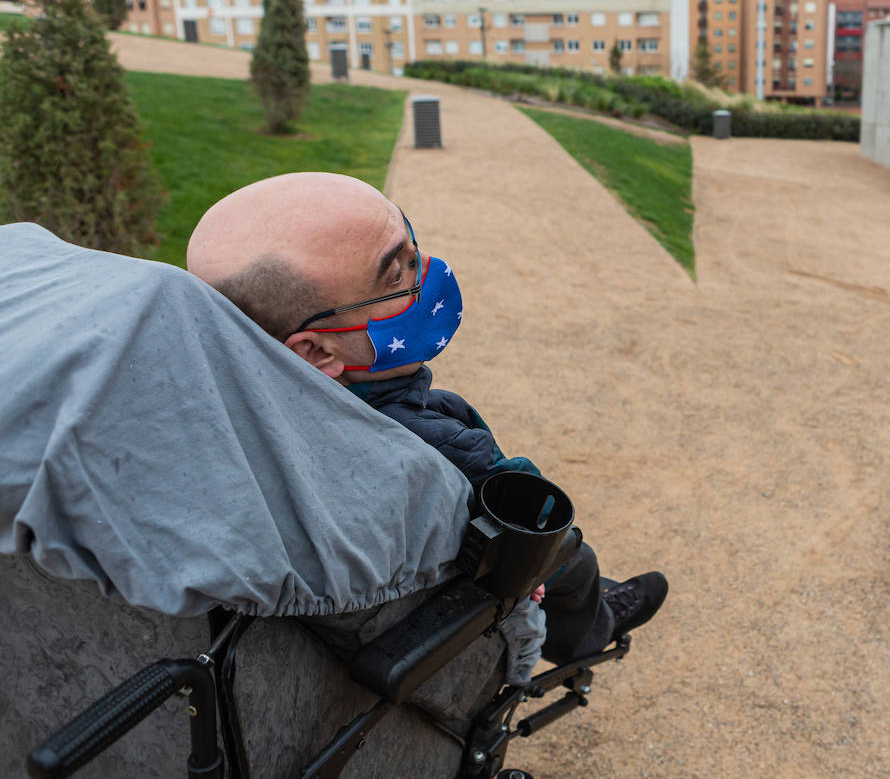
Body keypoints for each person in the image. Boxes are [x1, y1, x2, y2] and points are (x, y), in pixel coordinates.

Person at [186, 172, 666, 667]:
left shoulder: (230, 407)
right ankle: (589, 631)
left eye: (412, 247)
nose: (426, 273)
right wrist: (536, 563)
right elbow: (531, 515)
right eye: (397, 274)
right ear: (315, 351)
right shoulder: (434, 441)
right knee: (578, 562)